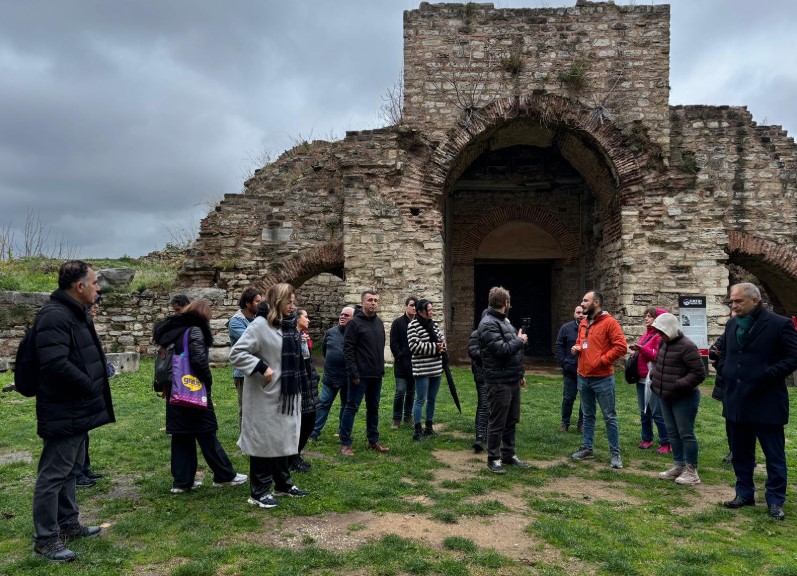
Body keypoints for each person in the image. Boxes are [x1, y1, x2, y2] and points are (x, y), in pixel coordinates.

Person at [32, 260, 116, 562]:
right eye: (94, 283)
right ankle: (46, 539)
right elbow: (54, 363)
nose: (98, 288)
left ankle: (68, 525)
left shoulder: (74, 313)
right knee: (53, 474)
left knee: (70, 470)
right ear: (79, 286)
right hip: (63, 408)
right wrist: (89, 384)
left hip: (77, 408)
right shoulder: (55, 316)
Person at [719, 283, 797, 520]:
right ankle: (744, 493)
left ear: (754, 300)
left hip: (766, 401)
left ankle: (775, 500)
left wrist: (768, 373)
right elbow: (725, 352)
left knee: (773, 455)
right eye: (732, 301)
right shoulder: (732, 323)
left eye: (738, 301)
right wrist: (724, 369)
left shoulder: (778, 324)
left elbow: (793, 356)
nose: (733, 305)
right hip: (737, 400)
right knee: (741, 452)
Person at [152, 300, 247, 495]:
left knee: (181, 435)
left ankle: (182, 481)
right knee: (206, 431)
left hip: (175, 390)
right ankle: (224, 475)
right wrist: (207, 381)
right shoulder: (195, 330)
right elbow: (197, 359)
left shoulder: (173, 331)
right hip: (192, 388)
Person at [229, 284, 309, 509]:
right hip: (265, 394)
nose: (293, 306)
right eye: (289, 302)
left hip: (286, 395)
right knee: (264, 442)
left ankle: (283, 483)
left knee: (282, 439)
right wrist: (261, 367)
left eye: (294, 302)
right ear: (277, 302)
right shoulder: (259, 326)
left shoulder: (287, 326)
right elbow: (237, 353)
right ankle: (259, 491)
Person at [570, 290, 627, 469]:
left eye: (585, 301)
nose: (582, 303)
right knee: (587, 415)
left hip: (602, 378)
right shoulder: (584, 322)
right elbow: (582, 340)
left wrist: (602, 361)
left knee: (609, 416)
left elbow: (621, 347)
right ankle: (587, 448)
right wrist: (577, 348)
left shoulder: (610, 323)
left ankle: (615, 454)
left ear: (596, 303)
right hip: (583, 376)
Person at [648, 313, 706, 485]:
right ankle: (679, 465)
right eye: (658, 331)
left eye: (663, 331)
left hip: (684, 397)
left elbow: (698, 373)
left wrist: (678, 385)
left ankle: (691, 470)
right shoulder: (663, 343)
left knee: (685, 433)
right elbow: (660, 363)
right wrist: (655, 377)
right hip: (665, 395)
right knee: (672, 432)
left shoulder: (687, 346)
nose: (660, 335)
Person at [478, 286, 529, 474]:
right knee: (497, 421)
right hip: (498, 381)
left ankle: (509, 454)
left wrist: (519, 375)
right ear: (505, 303)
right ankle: (493, 458)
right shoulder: (489, 323)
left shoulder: (505, 322)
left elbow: (513, 352)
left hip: (511, 378)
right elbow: (501, 350)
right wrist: (520, 340)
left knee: (511, 420)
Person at [339, 290, 389, 456]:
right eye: (370, 300)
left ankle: (373, 440)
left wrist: (380, 369)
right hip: (359, 376)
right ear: (362, 303)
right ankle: (345, 443)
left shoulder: (379, 323)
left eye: (375, 300)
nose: (373, 303)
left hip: (376, 375)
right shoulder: (354, 323)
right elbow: (348, 350)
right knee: (351, 407)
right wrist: (354, 373)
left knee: (373, 408)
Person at [74, 295, 115, 489]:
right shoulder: (76, 327)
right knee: (77, 433)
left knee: (84, 431)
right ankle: (76, 473)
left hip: (90, 385)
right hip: (80, 386)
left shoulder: (86, 325)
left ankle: (84, 468)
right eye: (94, 306)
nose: (96, 308)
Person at [628, 307, 671, 454]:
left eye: (650, 316)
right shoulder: (646, 334)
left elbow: (658, 356)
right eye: (645, 316)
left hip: (653, 379)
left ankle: (666, 442)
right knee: (644, 411)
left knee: (657, 412)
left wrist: (641, 349)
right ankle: (646, 438)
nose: (646, 318)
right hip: (641, 379)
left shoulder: (660, 337)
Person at [407, 299, 446, 441]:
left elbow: (442, 340)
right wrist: (435, 347)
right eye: (429, 310)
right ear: (420, 312)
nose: (432, 312)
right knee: (420, 399)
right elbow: (414, 347)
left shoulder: (434, 325)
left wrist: (442, 346)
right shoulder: (413, 326)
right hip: (422, 369)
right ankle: (417, 431)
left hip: (436, 368)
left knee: (432, 399)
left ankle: (429, 427)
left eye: (432, 309)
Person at [228, 286, 263, 427]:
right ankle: (245, 441)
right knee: (246, 407)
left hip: (260, 369)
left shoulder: (258, 319)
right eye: (257, 301)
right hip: (243, 372)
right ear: (248, 303)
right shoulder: (236, 321)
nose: (260, 305)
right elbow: (253, 343)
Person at [291, 308, 320, 472]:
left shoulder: (303, 337)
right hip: (300, 386)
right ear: (297, 319)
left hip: (309, 386)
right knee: (301, 424)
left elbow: (307, 360)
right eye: (306, 317)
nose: (308, 320)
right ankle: (292, 457)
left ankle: (296, 454)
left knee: (309, 422)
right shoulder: (290, 337)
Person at [709, 312, 735, 464]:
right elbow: (713, 351)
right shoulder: (727, 334)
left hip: (743, 383)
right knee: (729, 419)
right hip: (726, 382)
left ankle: (744, 452)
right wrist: (717, 354)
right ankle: (733, 450)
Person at [555, 305, 584, 433]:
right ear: (574, 314)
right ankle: (565, 423)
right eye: (578, 312)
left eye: (583, 312)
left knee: (585, 400)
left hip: (586, 371)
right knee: (568, 398)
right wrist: (563, 363)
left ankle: (582, 424)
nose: (580, 315)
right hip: (570, 370)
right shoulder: (566, 328)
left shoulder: (590, 328)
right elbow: (559, 346)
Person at [390, 296, 417, 429]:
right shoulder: (398, 323)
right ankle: (396, 418)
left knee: (411, 392)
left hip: (415, 364)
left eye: (415, 306)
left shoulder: (419, 323)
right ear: (406, 306)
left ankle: (408, 416)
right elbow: (393, 343)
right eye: (411, 305)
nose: (414, 308)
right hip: (401, 364)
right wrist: (400, 355)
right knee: (400, 391)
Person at [468, 323, 488, 453]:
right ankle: (480, 437)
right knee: (483, 404)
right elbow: (473, 352)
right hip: (482, 374)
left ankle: (492, 435)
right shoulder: (476, 334)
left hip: (497, 375)